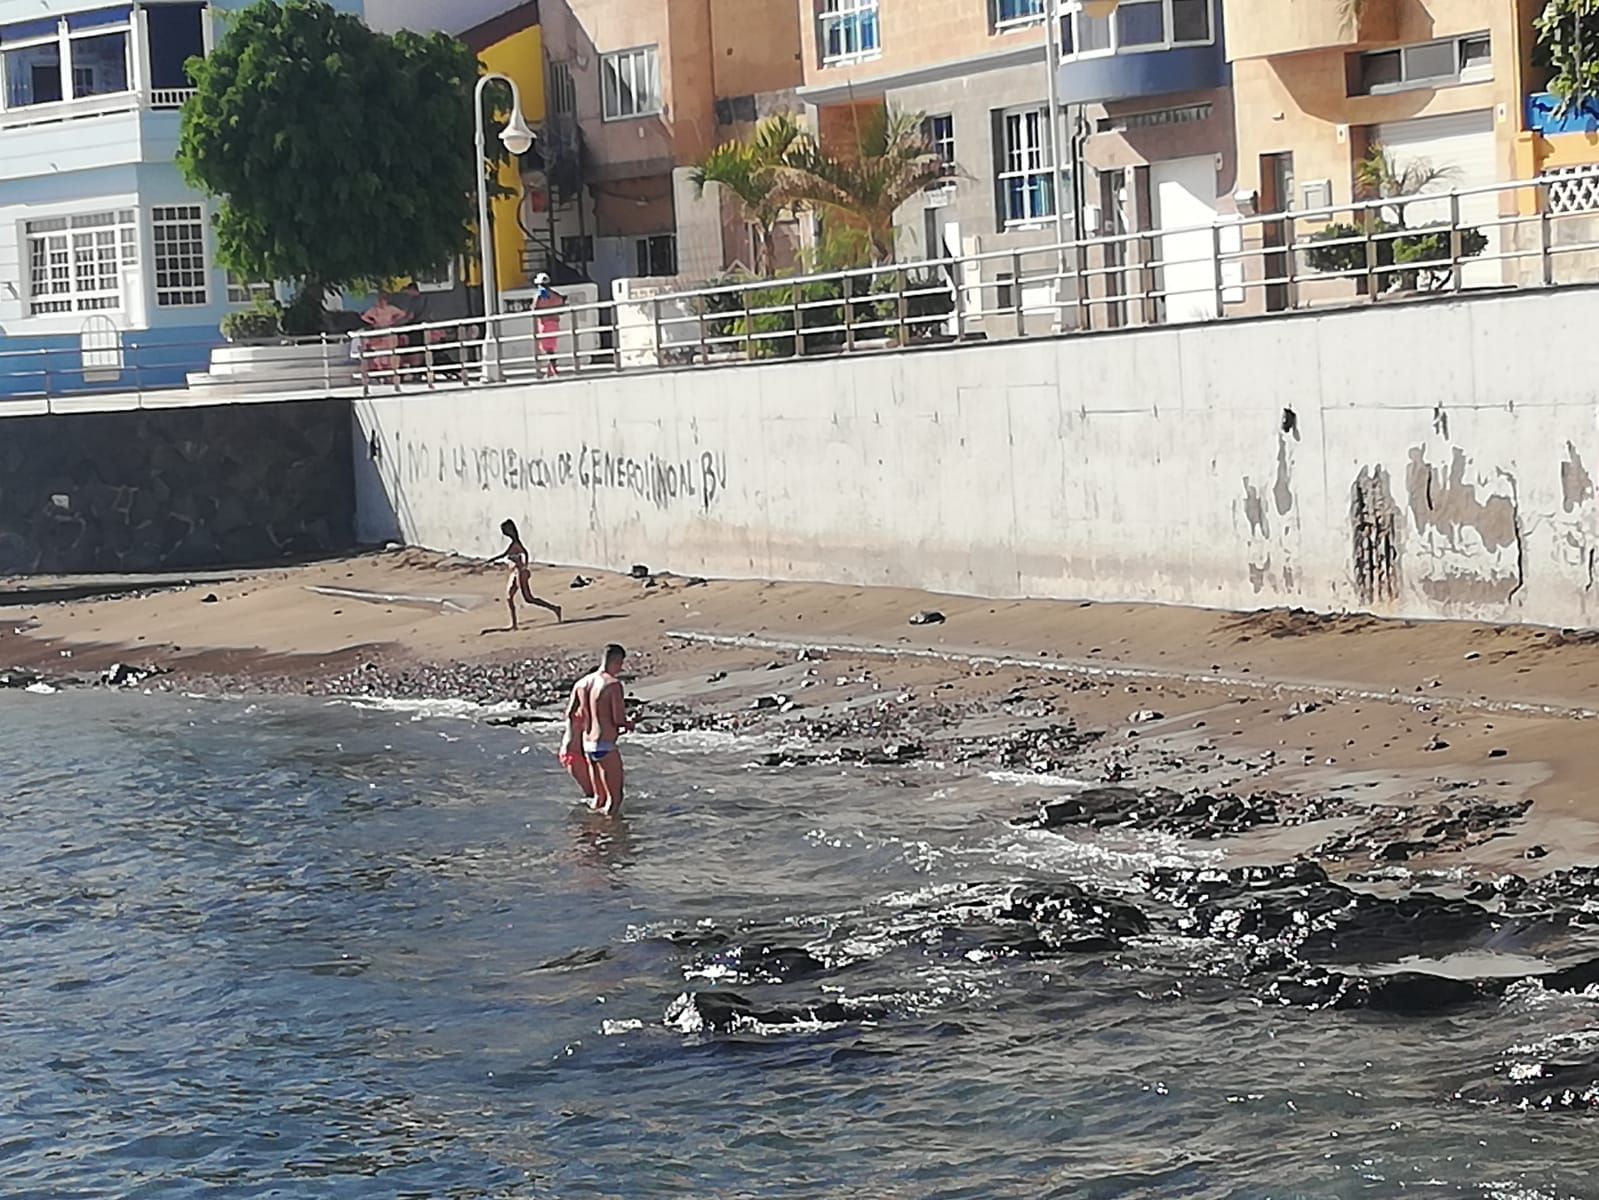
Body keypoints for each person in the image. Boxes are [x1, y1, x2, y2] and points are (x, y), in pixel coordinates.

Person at [566, 644, 632, 816]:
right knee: (615, 798)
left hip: (587, 745)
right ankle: (612, 838)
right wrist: (629, 723)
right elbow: (618, 719)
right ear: (617, 661)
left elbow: (571, 713)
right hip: (605, 745)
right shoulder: (612, 684)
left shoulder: (581, 683)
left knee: (598, 797)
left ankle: (595, 833)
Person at [486, 518, 560, 630]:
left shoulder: (516, 543)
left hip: (519, 572)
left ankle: (554, 608)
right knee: (509, 597)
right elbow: (506, 554)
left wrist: (524, 566)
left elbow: (524, 553)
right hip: (514, 572)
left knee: (528, 598)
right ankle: (514, 624)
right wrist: (492, 559)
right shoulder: (513, 543)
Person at [531, 272, 565, 378]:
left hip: (544, 322)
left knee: (547, 349)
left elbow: (534, 307)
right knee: (551, 347)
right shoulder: (555, 295)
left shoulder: (540, 295)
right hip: (554, 321)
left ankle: (553, 370)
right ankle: (550, 371)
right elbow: (562, 303)